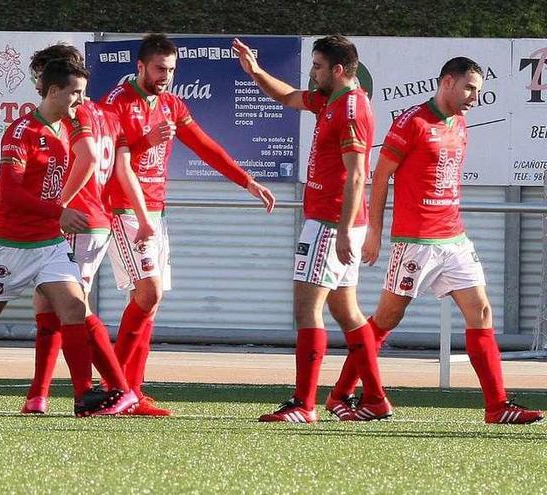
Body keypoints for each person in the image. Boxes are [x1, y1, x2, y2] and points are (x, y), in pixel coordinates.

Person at [329, 57, 544, 425]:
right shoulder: (411, 122)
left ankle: (497, 406)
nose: (474, 97)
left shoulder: (460, 123)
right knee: (386, 318)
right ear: (447, 82)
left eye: (478, 90)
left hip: (454, 239)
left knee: (482, 312)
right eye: (469, 88)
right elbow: (379, 178)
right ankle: (340, 393)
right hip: (415, 241)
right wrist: (376, 232)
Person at [0, 57, 137, 418]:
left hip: (50, 243)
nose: (80, 101)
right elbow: (9, 192)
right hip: (10, 244)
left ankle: (84, 396)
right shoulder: (22, 132)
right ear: (53, 91)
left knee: (75, 308)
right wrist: (59, 211)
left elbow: (89, 160)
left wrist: (58, 215)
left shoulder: (68, 128)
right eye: (74, 94)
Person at [100, 34, 276, 416]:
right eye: (160, 69)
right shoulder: (114, 104)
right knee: (148, 295)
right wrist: (146, 141)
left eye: (172, 70)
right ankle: (114, 387)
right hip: (123, 210)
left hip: (156, 213)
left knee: (150, 302)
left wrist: (247, 180)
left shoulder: (171, 105)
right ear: (140, 66)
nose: (166, 76)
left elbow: (205, 146)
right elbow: (114, 161)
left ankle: (132, 390)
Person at [234, 36, 390, 423]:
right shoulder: (329, 99)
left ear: (338, 71)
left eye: (317, 66)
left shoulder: (351, 108)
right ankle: (375, 398)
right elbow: (287, 97)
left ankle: (304, 404)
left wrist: (339, 232)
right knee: (348, 312)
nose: (311, 73)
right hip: (335, 222)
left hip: (329, 222)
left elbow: (357, 177)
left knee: (306, 309)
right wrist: (255, 71)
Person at [20, 44, 155, 414]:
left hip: (78, 219)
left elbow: (91, 159)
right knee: (47, 306)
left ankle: (117, 388)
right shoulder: (107, 113)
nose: (39, 84)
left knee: (73, 307)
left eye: (41, 75)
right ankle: (38, 396)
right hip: (92, 219)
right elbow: (122, 167)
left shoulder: (75, 113)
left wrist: (60, 204)